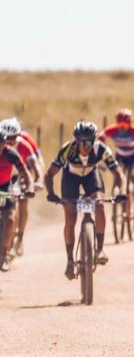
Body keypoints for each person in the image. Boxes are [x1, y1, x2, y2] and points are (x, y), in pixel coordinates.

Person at [44, 121, 123, 279]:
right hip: (70, 177)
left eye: (90, 142)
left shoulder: (101, 149)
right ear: (76, 141)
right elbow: (50, 174)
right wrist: (51, 193)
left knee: (99, 205)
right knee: (70, 217)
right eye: (82, 143)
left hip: (91, 176)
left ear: (94, 140)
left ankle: (100, 249)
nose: (86, 146)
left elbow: (118, 174)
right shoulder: (68, 149)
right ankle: (70, 261)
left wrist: (120, 191)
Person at [99, 109, 134, 215]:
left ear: (129, 123)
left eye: (124, 125)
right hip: (120, 157)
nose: (122, 127)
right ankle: (121, 201)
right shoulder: (112, 130)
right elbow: (99, 139)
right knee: (118, 177)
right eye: (120, 125)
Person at [0, 118, 44, 255]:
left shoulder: (23, 146)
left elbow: (35, 167)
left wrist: (37, 182)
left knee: (22, 200)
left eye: (13, 139)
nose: (9, 142)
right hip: (7, 176)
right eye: (7, 139)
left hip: (18, 176)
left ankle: (19, 237)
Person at [0, 128, 34, 270]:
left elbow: (25, 172)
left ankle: (4, 255)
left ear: (4, 144)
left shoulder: (11, 154)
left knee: (10, 218)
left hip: (5, 187)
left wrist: (30, 188)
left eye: (0, 145)